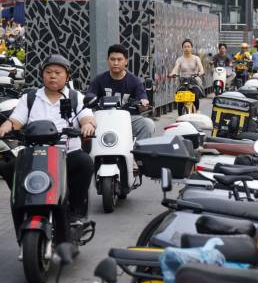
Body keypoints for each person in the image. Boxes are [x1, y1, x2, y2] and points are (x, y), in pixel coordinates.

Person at [0, 55, 96, 222]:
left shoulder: (75, 97)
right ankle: (22, 205)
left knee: (85, 162)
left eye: (58, 72)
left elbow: (87, 118)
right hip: (35, 155)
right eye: (48, 72)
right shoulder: (30, 98)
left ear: (67, 76)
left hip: (67, 154)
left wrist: (88, 126)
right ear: (42, 74)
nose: (52, 76)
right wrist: (6, 127)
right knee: (8, 167)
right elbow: (15, 121)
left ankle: (75, 213)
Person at [87, 44, 155, 141]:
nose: (115, 63)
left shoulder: (135, 81)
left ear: (126, 61)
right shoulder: (98, 80)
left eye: (119, 59)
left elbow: (142, 100)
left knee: (148, 124)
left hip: (128, 119)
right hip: (103, 119)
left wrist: (143, 104)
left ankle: (138, 154)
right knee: (85, 123)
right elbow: (89, 98)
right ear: (107, 60)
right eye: (112, 59)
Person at [170, 39, 205, 114]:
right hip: (183, 80)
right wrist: (172, 74)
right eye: (185, 46)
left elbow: (201, 68)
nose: (187, 48)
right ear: (182, 48)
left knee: (195, 95)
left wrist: (200, 72)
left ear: (191, 48)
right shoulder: (180, 59)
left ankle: (197, 110)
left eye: (188, 46)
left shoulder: (196, 58)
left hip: (193, 80)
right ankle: (180, 116)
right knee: (180, 98)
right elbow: (176, 68)